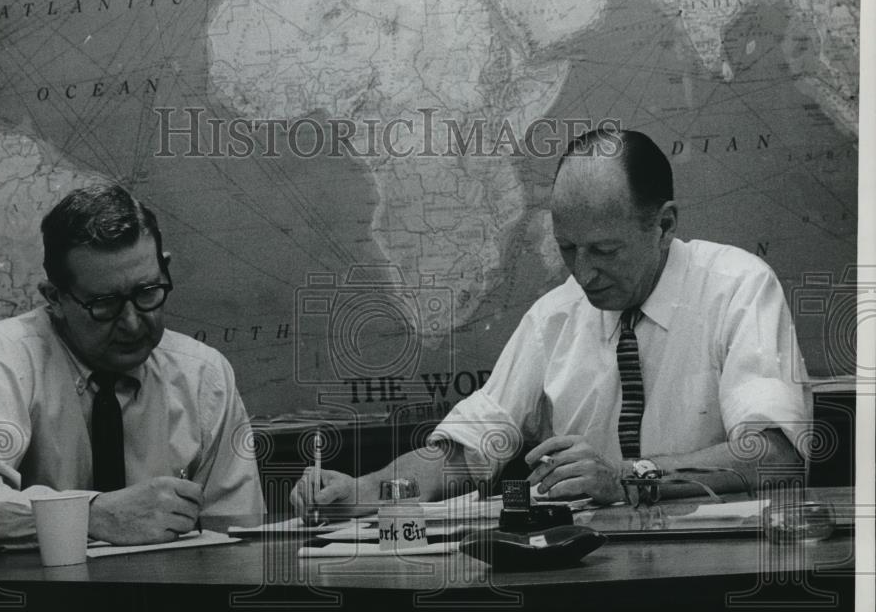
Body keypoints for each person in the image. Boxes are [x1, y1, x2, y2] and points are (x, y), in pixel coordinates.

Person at [291, 128, 811, 514]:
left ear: (665, 224)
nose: (584, 274)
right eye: (567, 249)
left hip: (717, 571)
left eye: (605, 250)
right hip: (592, 571)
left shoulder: (738, 287)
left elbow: (774, 457)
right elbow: (467, 450)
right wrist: (366, 489)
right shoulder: (555, 316)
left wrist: (630, 477)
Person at [0, 184, 264, 555]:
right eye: (105, 304)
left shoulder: (204, 376)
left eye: (148, 291)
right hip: (41, 607)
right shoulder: (8, 353)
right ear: (54, 299)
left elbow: (238, 539)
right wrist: (93, 515)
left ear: (164, 266)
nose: (133, 324)